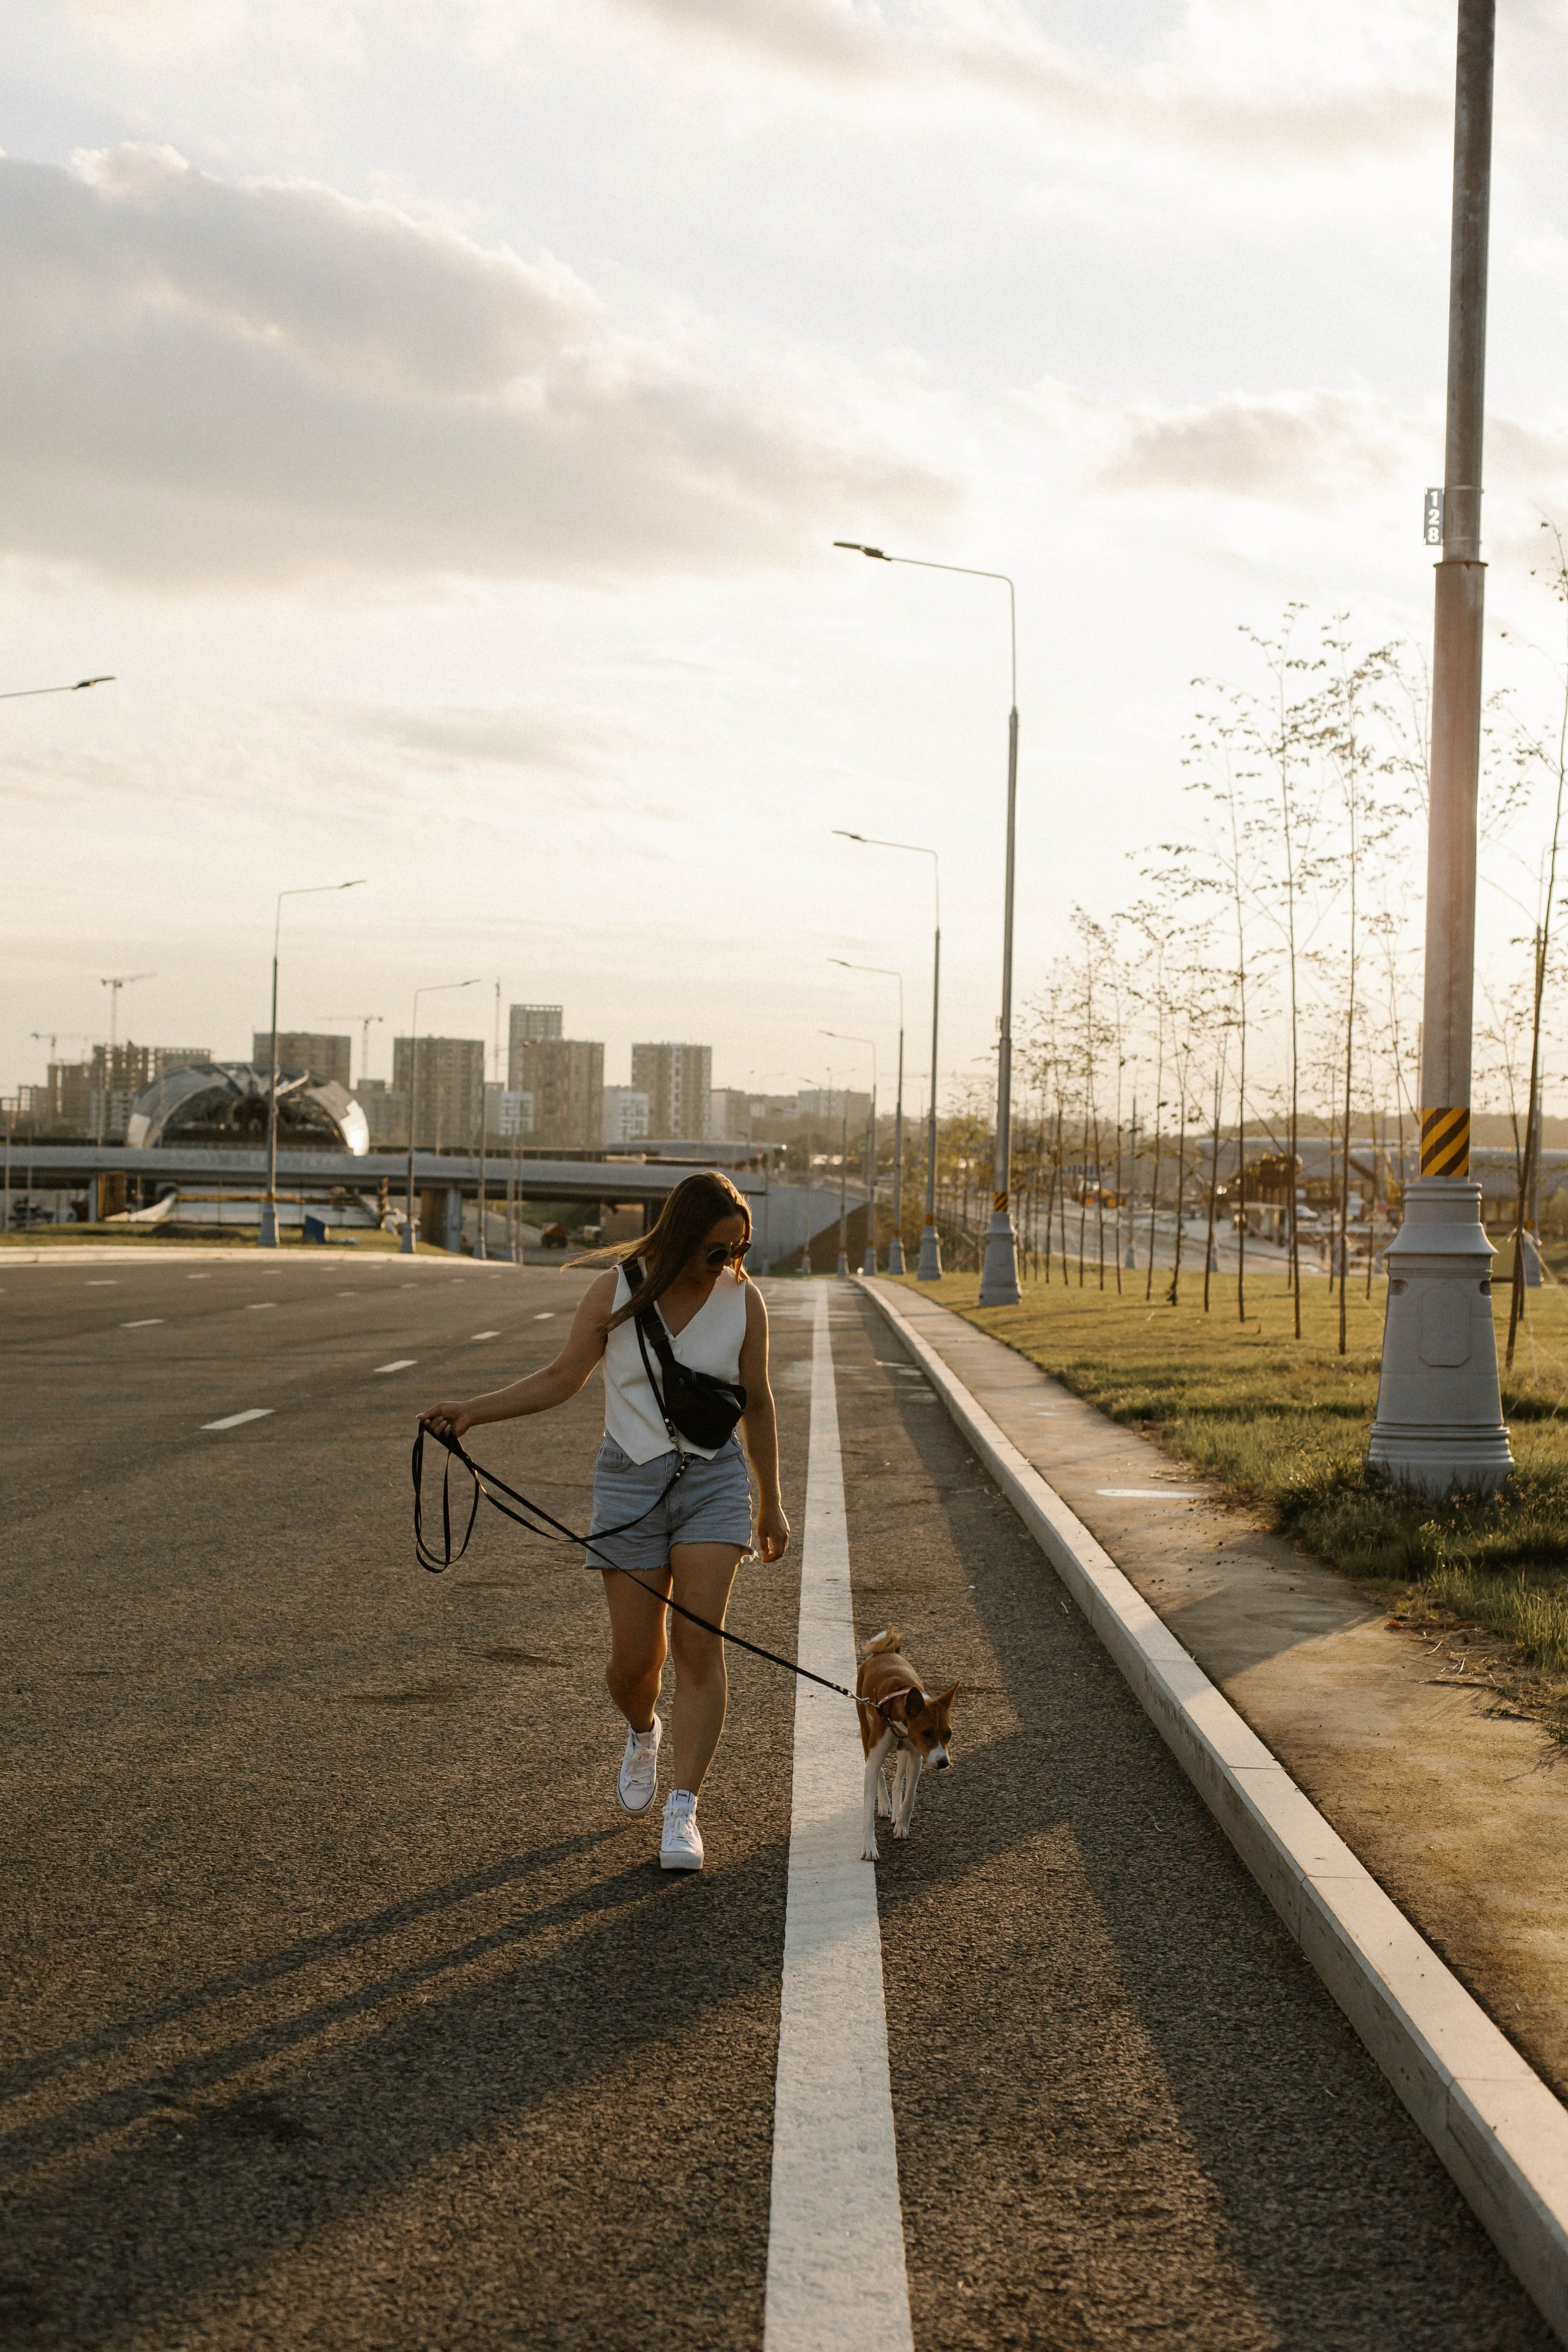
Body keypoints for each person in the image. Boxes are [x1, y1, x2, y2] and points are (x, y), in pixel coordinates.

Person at [420, 1169, 790, 1873]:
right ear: (681, 1237)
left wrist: (771, 1500)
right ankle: (643, 1729)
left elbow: (760, 1402)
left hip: (713, 1482)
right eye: (717, 1249)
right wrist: (472, 1412)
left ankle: (683, 1807)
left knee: (699, 1643)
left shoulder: (744, 1300)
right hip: (628, 1481)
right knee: (633, 1663)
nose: (729, 1262)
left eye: (740, 1249)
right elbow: (562, 1378)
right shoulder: (616, 1291)